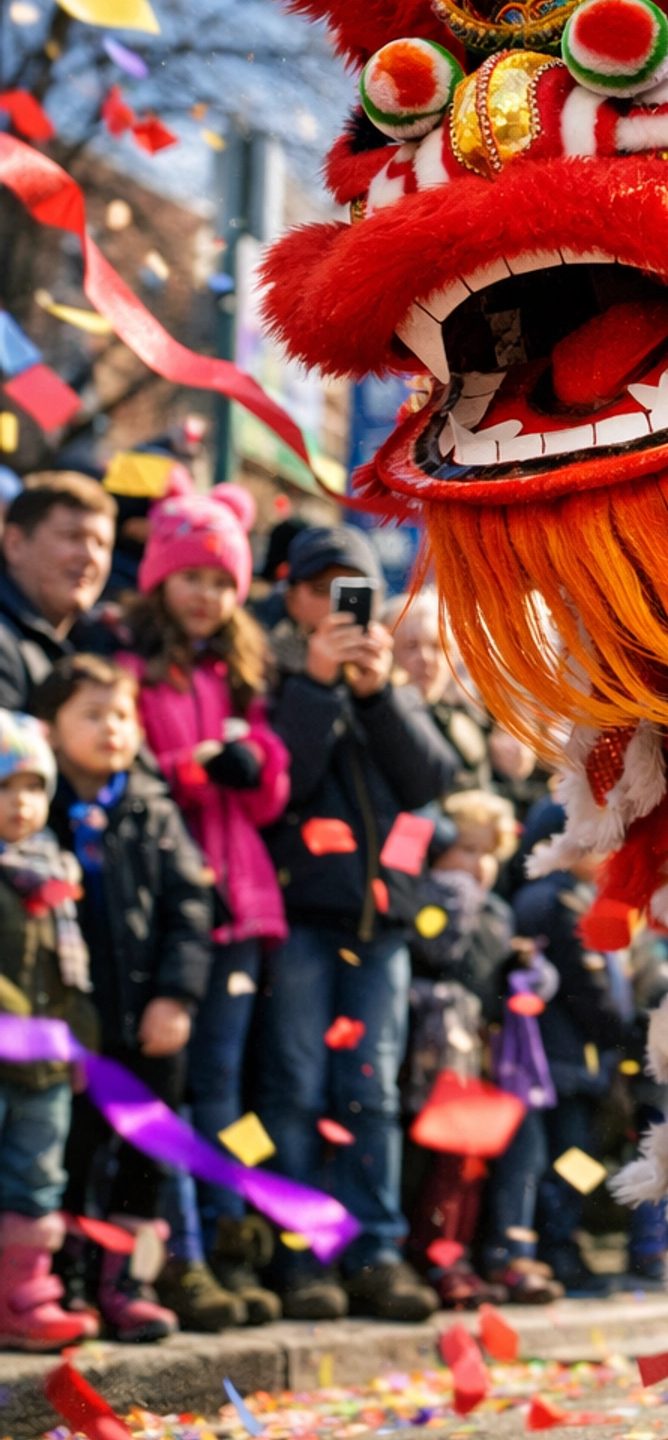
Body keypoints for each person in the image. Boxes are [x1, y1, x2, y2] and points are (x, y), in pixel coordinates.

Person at [258, 524, 458, 1323]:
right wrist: (314, 685)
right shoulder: (271, 672)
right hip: (301, 919)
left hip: (382, 931)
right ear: (297, 598)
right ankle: (302, 1256)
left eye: (358, 589)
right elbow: (282, 784)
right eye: (327, 587)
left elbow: (428, 780)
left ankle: (375, 1252)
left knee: (371, 1094)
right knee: (297, 1087)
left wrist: (376, 693)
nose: (343, 604)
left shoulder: (384, 679)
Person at [120, 475, 291, 1324]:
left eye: (224, 580)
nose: (209, 594)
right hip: (168, 906)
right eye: (194, 576)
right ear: (160, 577)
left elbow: (267, 794)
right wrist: (197, 769)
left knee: (227, 1087)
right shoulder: (132, 662)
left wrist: (258, 768)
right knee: (174, 1085)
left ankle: (227, 1239)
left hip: (243, 906)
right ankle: (174, 1252)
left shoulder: (242, 669)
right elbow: (134, 771)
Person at [38, 656, 221, 1341]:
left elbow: (190, 908)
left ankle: (130, 1281)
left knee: (148, 1157)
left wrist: (177, 996)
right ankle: (70, 1282)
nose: (112, 728)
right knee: (73, 1154)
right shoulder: (37, 812)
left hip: (151, 1024)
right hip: (75, 1030)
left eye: (121, 714)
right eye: (91, 714)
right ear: (51, 729)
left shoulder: (153, 807)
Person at [401, 789, 533, 1305]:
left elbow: (493, 980)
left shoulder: (497, 912)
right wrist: (455, 895)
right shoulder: (432, 896)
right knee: (433, 1159)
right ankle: (429, 1254)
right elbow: (435, 949)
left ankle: (457, 1253)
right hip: (431, 1050)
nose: (476, 866)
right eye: (466, 851)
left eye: (486, 855)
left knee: (468, 1163)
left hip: (476, 1046)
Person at [0, 711, 101, 1349]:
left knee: (37, 1175)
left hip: (43, 1065)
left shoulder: (55, 872)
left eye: (33, 787)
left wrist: (77, 1037)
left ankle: (22, 1299)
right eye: (5, 788)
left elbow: (72, 973)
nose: (20, 802)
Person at [507, 797, 629, 1298]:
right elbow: (587, 988)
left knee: (568, 1156)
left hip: (565, 1058)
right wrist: (625, 1031)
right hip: (565, 1058)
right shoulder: (558, 902)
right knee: (569, 1157)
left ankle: (563, 1245)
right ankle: (560, 1249)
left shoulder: (556, 896)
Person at [0, 471, 118, 714]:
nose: (89, 557)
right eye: (73, 537)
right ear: (14, 544)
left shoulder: (100, 642)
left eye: (102, 544)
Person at [392, 590, 493, 795]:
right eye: (411, 647)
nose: (426, 658)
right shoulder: (376, 721)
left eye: (438, 647)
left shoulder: (469, 716)